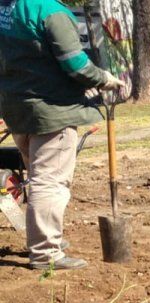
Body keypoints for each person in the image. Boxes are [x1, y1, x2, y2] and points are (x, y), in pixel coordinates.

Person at [0, 0, 127, 269]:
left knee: (38, 177)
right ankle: (46, 252)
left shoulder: (7, 9)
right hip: (51, 112)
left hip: (18, 110)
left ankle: (43, 239)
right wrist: (104, 78)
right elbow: (76, 65)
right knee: (50, 182)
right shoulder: (50, 12)